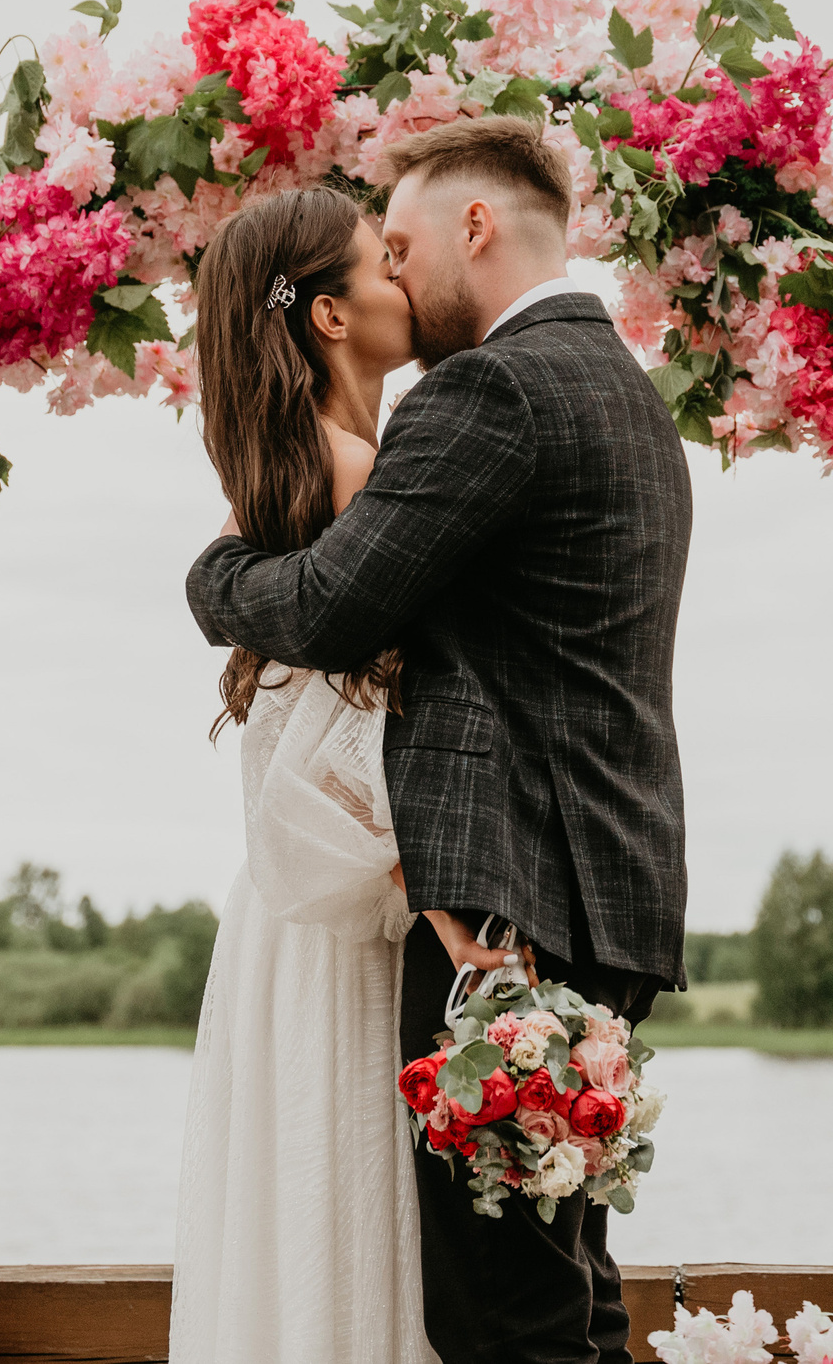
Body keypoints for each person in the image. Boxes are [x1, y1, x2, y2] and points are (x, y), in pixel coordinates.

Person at [186, 115, 694, 1364]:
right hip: (604, 883)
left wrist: (212, 578)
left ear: (476, 225)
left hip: (510, 897)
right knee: (562, 1279)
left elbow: (325, 606)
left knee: (501, 1312)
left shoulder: (493, 387)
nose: (397, 277)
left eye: (402, 243)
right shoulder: (623, 386)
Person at [169, 185, 510, 1364]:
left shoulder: (290, 469)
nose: (404, 284)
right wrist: (434, 874)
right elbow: (388, 726)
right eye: (381, 266)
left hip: (286, 912)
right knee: (360, 1202)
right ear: (326, 316)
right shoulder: (354, 470)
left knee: (300, 1204)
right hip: (362, 904)